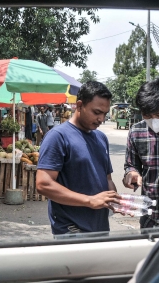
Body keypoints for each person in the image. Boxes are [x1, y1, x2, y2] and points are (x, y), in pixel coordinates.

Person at [36, 81, 121, 234]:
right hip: (71, 230)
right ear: (80, 105)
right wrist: (89, 200)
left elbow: (107, 179)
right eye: (96, 112)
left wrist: (118, 201)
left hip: (100, 228)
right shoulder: (58, 137)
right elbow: (44, 184)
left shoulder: (101, 138)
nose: (101, 119)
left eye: (105, 114)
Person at [123, 79, 159, 229]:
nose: (153, 120)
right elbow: (131, 166)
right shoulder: (136, 132)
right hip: (150, 220)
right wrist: (131, 174)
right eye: (147, 115)